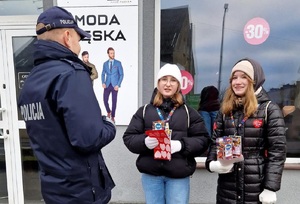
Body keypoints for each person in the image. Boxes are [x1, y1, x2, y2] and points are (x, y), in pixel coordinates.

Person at [18, 6, 116, 204]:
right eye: (79, 40)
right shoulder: (71, 73)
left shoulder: (31, 80)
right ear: (67, 36)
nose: (79, 47)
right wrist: (109, 125)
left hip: (53, 189)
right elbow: (88, 139)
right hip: (80, 192)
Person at [123, 63, 210, 204]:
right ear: (158, 83)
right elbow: (129, 138)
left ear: (178, 85)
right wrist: (145, 141)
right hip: (151, 176)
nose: (168, 84)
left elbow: (203, 140)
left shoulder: (189, 113)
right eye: (164, 79)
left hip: (178, 176)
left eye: (173, 80)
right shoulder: (144, 111)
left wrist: (181, 145)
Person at [205, 58, 286, 204]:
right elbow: (215, 142)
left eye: (244, 77)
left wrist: (270, 187)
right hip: (227, 188)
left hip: (256, 187)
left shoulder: (269, 109)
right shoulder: (225, 110)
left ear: (254, 80)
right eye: (234, 78)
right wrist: (212, 163)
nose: (238, 81)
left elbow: (277, 151)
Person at [101, 47, 124, 123]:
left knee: (114, 101)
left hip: (115, 85)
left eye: (113, 53)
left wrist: (118, 84)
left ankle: (113, 116)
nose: (113, 54)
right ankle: (108, 111)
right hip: (107, 84)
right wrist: (103, 82)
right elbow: (103, 73)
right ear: (108, 54)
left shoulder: (118, 63)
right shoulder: (105, 64)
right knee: (105, 100)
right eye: (111, 53)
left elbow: (121, 74)